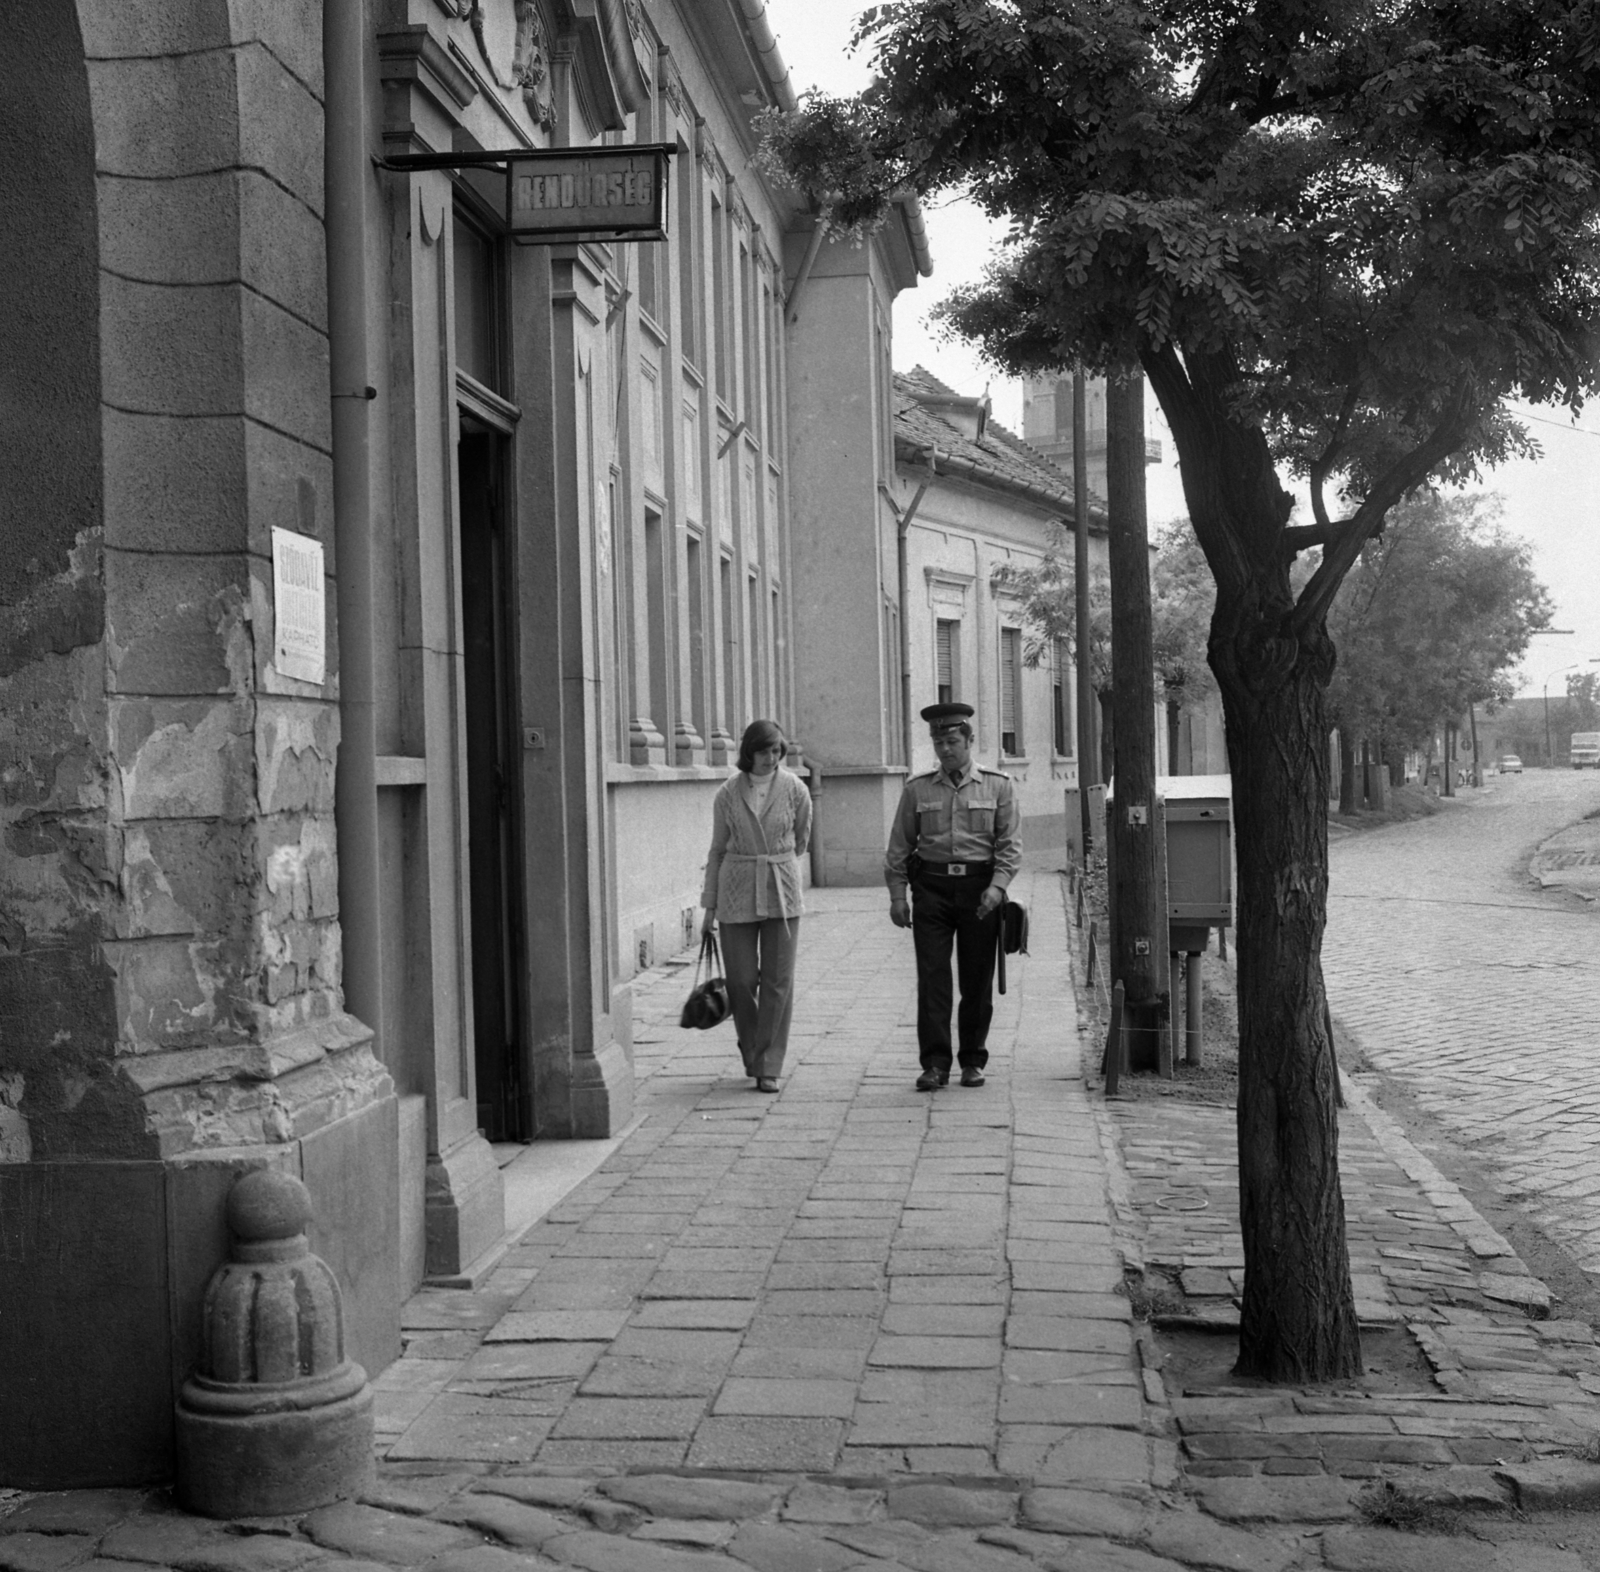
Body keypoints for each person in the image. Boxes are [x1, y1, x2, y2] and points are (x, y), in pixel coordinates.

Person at [885, 702, 1022, 1090]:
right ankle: (935, 1064)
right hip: (932, 890)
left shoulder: (998, 786)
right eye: (938, 742)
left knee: (977, 980)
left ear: (969, 740)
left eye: (952, 741)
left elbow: (1010, 846)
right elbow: (898, 847)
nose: (945, 749)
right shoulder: (917, 789)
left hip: (981, 894)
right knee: (933, 979)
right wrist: (898, 896)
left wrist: (997, 887)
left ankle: (972, 1061)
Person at [700, 720, 812, 1092]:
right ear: (748, 752)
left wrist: (779, 864)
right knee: (742, 980)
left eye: (777, 751)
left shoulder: (796, 789)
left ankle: (769, 1065)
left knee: (779, 982)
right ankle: (752, 1051)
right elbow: (717, 850)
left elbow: (801, 839)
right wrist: (709, 907)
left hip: (782, 890)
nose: (771, 758)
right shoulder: (728, 793)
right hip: (737, 888)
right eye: (763, 751)